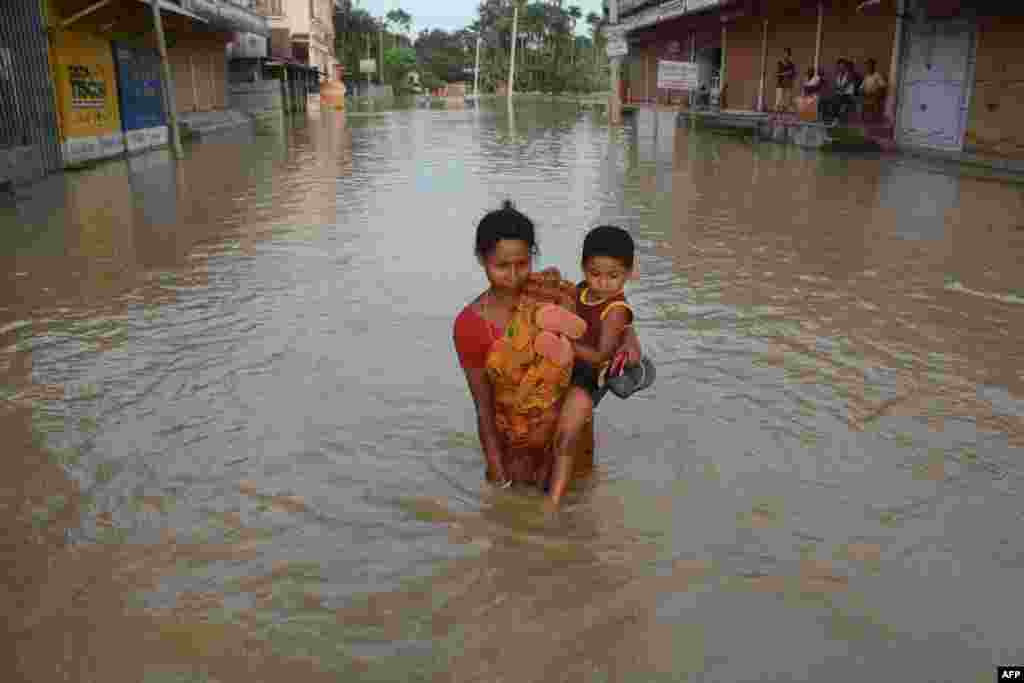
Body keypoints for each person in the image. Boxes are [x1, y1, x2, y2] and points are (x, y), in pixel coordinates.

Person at [453, 202, 642, 489]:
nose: (514, 275)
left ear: (532, 256)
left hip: (571, 450)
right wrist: (498, 478)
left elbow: (609, 312)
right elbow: (484, 410)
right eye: (501, 266)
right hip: (518, 459)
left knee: (581, 518)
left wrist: (630, 342)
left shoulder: (554, 293)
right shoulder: (470, 326)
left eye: (522, 264)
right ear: (481, 258)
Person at [547, 226, 637, 508]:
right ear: (584, 268)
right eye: (595, 274)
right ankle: (582, 480)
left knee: (565, 435)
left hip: (588, 376)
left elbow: (600, 356)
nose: (603, 283)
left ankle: (554, 501)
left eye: (614, 276)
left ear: (629, 273)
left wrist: (567, 344)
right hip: (567, 363)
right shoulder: (582, 290)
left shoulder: (616, 309)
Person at [860, 58, 887, 123]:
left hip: (875, 95)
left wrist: (875, 93)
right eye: (867, 66)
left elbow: (883, 86)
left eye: (870, 65)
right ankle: (863, 120)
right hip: (867, 95)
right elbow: (861, 88)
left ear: (873, 66)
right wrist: (863, 92)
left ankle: (876, 120)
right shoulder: (866, 76)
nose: (868, 67)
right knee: (860, 100)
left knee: (875, 101)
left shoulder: (877, 75)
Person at [775, 48, 797, 113]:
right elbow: (777, 73)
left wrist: (791, 74)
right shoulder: (780, 63)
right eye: (785, 54)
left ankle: (785, 112)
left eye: (787, 54)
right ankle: (777, 112)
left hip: (788, 84)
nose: (786, 55)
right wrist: (786, 73)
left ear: (789, 55)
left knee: (787, 100)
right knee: (779, 99)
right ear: (783, 54)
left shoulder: (791, 64)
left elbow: (793, 73)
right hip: (780, 83)